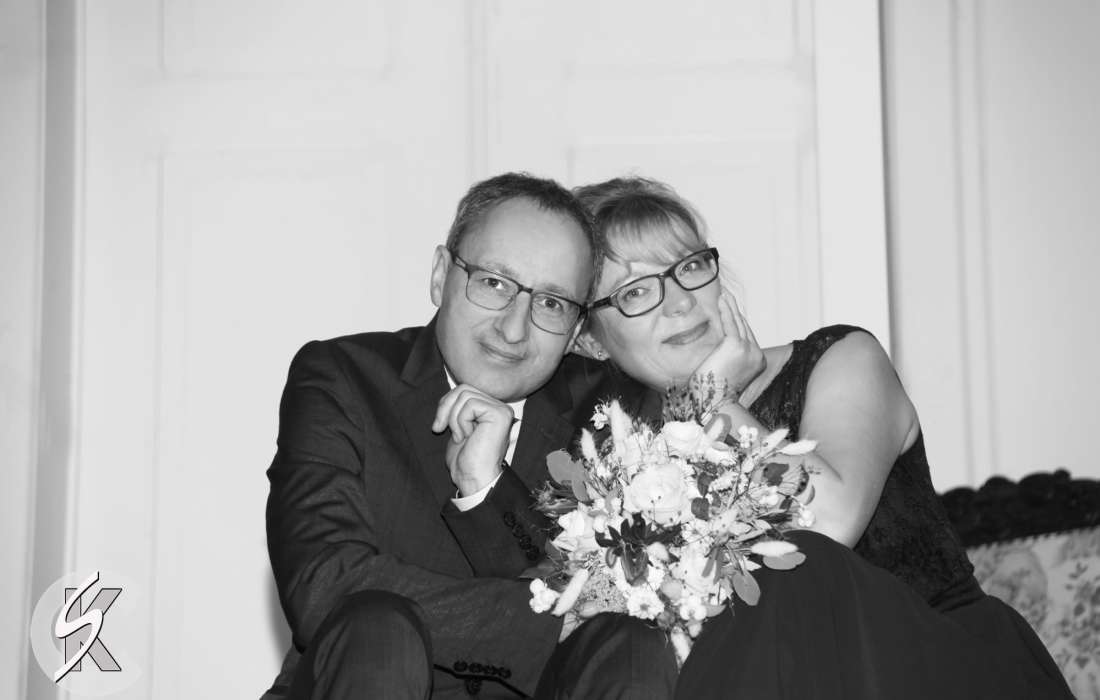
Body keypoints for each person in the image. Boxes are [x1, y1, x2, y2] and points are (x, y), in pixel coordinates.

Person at [571, 176, 1074, 699]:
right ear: (590, 339)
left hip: (942, 672)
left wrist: (716, 403)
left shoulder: (842, 360)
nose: (679, 302)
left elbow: (828, 526)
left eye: (690, 267)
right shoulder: (615, 455)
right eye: (636, 292)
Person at [263, 173, 677, 700]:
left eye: (552, 303)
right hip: (367, 680)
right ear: (441, 275)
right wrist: (549, 620)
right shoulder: (343, 377)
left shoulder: (612, 411)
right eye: (494, 283)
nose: (513, 328)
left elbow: (613, 605)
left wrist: (488, 492)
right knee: (377, 622)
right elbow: (325, 585)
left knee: (631, 640)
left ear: (577, 329)